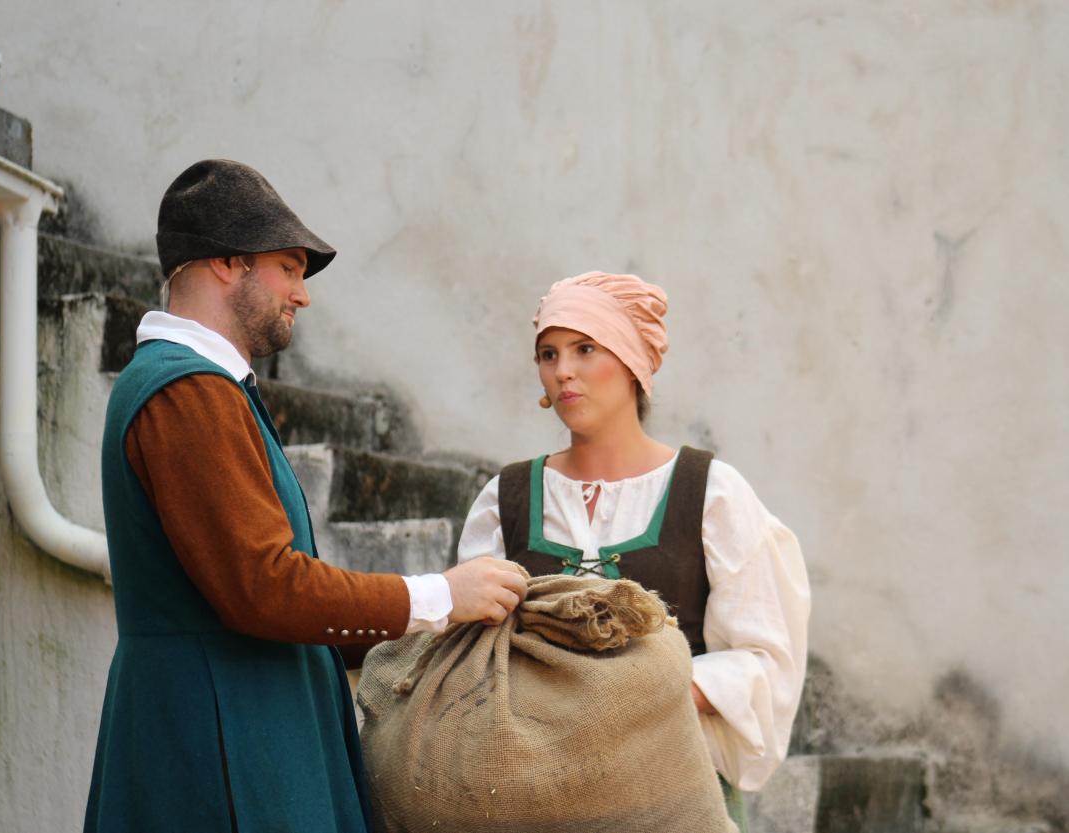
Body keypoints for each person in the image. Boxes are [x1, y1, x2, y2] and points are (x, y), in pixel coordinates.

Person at [84, 159, 527, 833]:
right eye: (289, 267)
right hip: (218, 746)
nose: (304, 292)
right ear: (229, 262)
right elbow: (265, 586)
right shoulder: (186, 390)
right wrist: (438, 596)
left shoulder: (205, 387)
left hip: (241, 725)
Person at [456, 271, 810, 830]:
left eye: (585, 348)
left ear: (631, 360)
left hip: (670, 794)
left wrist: (633, 694)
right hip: (537, 795)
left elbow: (763, 659)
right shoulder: (507, 497)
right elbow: (472, 655)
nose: (564, 370)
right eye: (549, 354)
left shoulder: (711, 492)